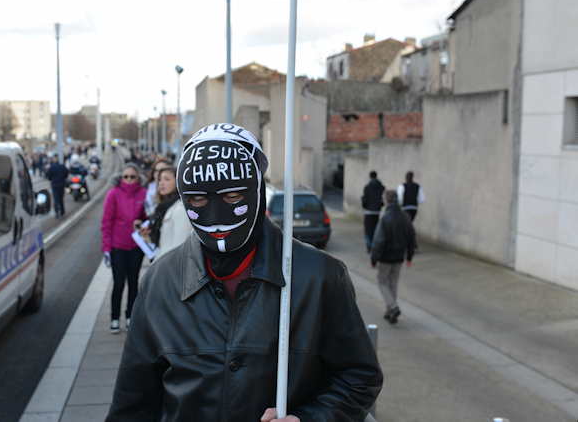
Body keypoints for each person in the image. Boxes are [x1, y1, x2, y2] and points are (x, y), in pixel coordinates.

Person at [106, 123, 382, 422]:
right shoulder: (161, 282)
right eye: (198, 199)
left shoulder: (320, 276)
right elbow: (132, 404)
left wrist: (311, 418)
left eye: (233, 197)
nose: (215, 217)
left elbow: (359, 376)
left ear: (258, 192)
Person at [101, 163, 147, 334]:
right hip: (117, 247)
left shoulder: (143, 194)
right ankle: (114, 318)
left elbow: (148, 217)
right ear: (121, 178)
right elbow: (106, 222)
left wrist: (142, 223)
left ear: (138, 178)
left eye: (132, 177)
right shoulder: (113, 194)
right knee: (119, 283)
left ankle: (130, 316)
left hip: (136, 246)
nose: (128, 180)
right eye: (125, 177)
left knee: (134, 282)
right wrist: (106, 247)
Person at [370, 190, 417, 324]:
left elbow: (378, 241)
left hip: (386, 257)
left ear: (386, 201)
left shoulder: (385, 219)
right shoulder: (405, 217)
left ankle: (393, 306)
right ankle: (390, 312)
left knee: (382, 281)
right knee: (393, 283)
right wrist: (409, 256)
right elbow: (411, 237)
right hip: (399, 257)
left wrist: (374, 258)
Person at [145, 166, 192, 260]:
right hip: (162, 261)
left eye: (167, 179)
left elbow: (180, 247)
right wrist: (147, 237)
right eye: (159, 179)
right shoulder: (163, 207)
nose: (161, 183)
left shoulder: (181, 208)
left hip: (172, 266)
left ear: (178, 181)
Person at [361, 170, 385, 253]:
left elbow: (364, 201)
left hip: (368, 212)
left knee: (368, 230)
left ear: (370, 177)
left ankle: (369, 247)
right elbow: (382, 200)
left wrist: (364, 204)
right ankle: (375, 246)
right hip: (377, 212)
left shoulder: (367, 187)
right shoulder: (381, 187)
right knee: (375, 230)